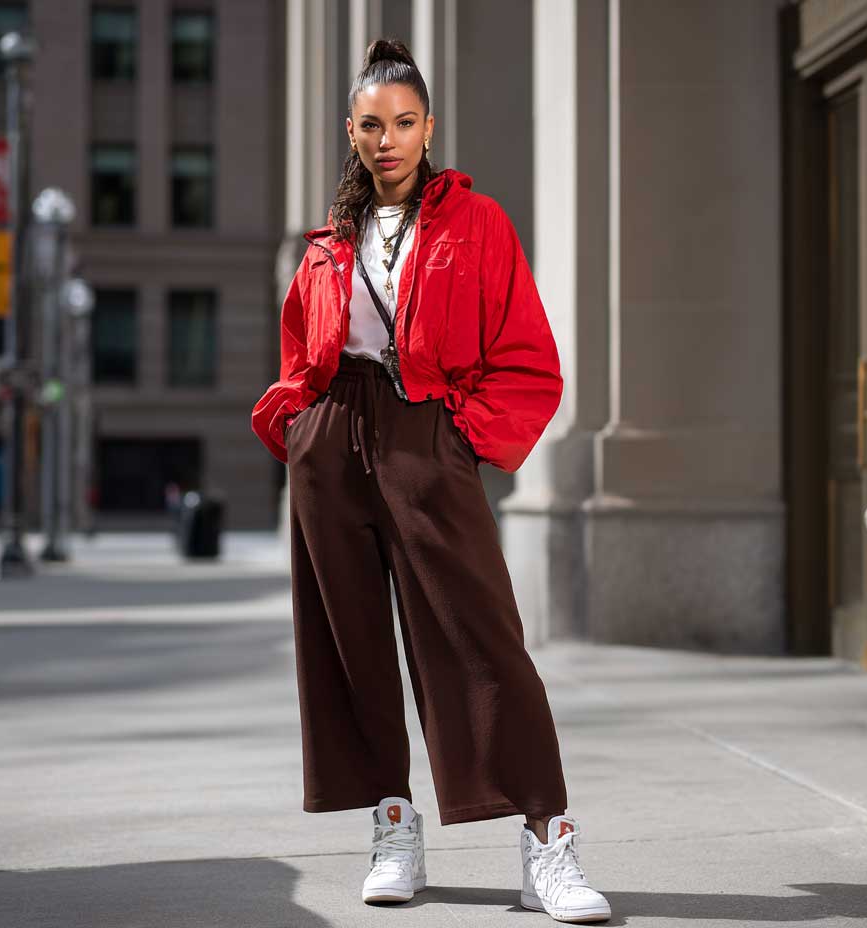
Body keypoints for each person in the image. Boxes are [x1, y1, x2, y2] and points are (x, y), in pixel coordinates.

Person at [249, 38, 610, 924]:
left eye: (404, 123)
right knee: (351, 647)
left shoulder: (476, 223)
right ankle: (393, 825)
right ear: (352, 131)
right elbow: (301, 355)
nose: (388, 140)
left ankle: (547, 840)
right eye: (372, 125)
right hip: (334, 444)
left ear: (427, 129)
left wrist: (461, 437)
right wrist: (300, 430)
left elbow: (525, 353)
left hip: (428, 433)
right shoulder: (329, 243)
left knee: (481, 638)